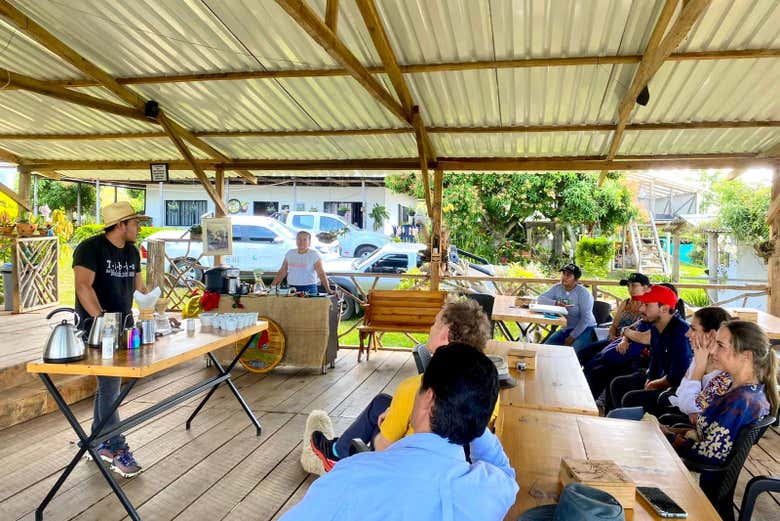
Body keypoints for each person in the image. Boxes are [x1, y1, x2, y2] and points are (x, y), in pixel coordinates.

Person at [281, 343, 518, 521]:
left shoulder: (354, 477)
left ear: (429, 398)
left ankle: (331, 450)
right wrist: (471, 418)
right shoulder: (490, 491)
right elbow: (505, 473)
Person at [302, 299, 493, 474]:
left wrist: (395, 416)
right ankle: (338, 449)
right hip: (450, 466)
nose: (430, 328)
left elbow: (383, 447)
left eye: (435, 323)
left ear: (446, 334)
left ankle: (339, 456)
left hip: (404, 467)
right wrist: (396, 410)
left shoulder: (417, 388)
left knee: (379, 412)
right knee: (382, 402)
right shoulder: (488, 390)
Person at [73, 201, 149, 478]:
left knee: (109, 385)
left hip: (124, 325)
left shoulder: (131, 252)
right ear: (120, 225)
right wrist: (104, 323)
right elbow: (83, 287)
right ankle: (116, 447)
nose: (139, 228)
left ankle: (97, 442)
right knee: (109, 384)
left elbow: (140, 289)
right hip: (96, 326)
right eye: (135, 223)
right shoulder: (90, 248)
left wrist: (155, 308)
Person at [666, 321, 777, 468]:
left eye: (721, 345)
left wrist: (669, 437)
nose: (712, 351)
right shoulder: (734, 387)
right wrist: (668, 431)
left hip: (695, 478)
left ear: (746, 355)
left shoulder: (741, 401)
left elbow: (709, 455)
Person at [605, 284, 692, 413]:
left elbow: (677, 376)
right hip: (663, 378)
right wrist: (650, 378)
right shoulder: (657, 326)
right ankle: (621, 422)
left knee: (631, 398)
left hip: (678, 389)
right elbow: (655, 359)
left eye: (646, 305)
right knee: (618, 384)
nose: (640, 309)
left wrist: (654, 384)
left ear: (664, 308)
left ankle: (640, 426)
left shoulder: (680, 333)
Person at [664, 307, 733, 424]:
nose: (687, 334)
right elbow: (681, 391)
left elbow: (689, 405)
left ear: (711, 334)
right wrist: (690, 408)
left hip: (707, 427)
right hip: (689, 414)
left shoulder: (723, 372)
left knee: (665, 417)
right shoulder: (700, 354)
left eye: (693, 329)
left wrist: (699, 368)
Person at [576, 272, 651, 365]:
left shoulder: (649, 307)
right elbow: (614, 325)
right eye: (628, 286)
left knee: (595, 361)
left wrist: (624, 339)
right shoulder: (626, 302)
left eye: (634, 285)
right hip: (614, 339)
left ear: (645, 287)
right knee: (582, 354)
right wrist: (611, 336)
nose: (630, 289)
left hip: (630, 344)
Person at [539, 263, 597, 353]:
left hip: (586, 328)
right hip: (567, 328)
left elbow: (586, 318)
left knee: (572, 353)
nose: (564, 277)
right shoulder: (557, 288)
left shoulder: (583, 293)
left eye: (568, 275)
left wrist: (572, 336)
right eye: (563, 274)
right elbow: (540, 299)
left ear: (576, 280)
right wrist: (556, 303)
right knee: (546, 349)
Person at [270, 230, 333, 295]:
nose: (301, 242)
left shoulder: (314, 254)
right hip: (291, 288)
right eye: (299, 239)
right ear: (296, 241)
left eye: (305, 240)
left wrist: (328, 289)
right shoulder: (290, 253)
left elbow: (321, 273)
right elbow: (282, 271)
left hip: (309, 288)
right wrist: (272, 287)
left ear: (309, 242)